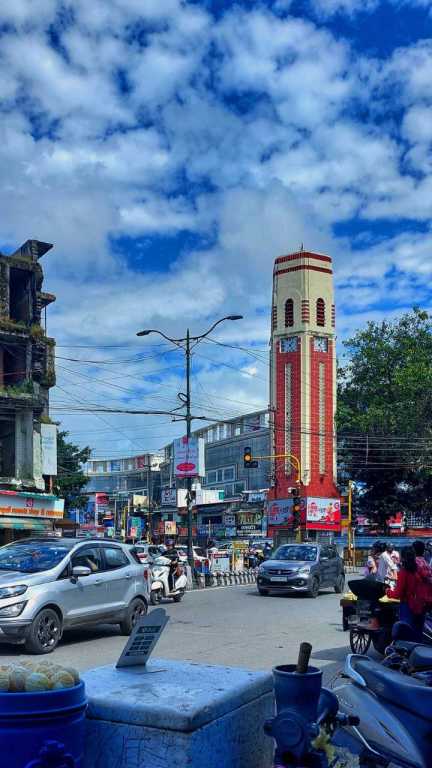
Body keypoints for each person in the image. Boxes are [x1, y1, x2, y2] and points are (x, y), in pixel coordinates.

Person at [387, 546, 428, 639]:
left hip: (408, 606)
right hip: (421, 605)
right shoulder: (420, 569)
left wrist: (387, 591)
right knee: (418, 633)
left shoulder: (403, 572)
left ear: (403, 558)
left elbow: (397, 594)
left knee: (407, 633)